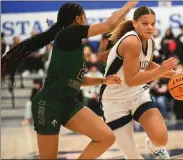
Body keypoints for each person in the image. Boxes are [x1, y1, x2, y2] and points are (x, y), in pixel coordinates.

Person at [1, 1, 139, 159]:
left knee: (106, 137)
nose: (86, 21)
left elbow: (78, 80)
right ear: (78, 19)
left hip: (69, 103)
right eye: (85, 17)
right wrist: (129, 5)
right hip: (48, 104)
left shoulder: (74, 44)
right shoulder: (68, 34)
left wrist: (103, 81)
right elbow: (109, 25)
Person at [100, 6, 179, 159]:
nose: (150, 27)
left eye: (153, 24)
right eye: (145, 23)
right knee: (133, 157)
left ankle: (153, 146)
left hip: (137, 94)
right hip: (114, 101)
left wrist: (176, 75)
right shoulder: (131, 41)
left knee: (161, 139)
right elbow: (131, 80)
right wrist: (161, 70)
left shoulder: (149, 41)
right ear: (134, 23)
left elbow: (146, 64)